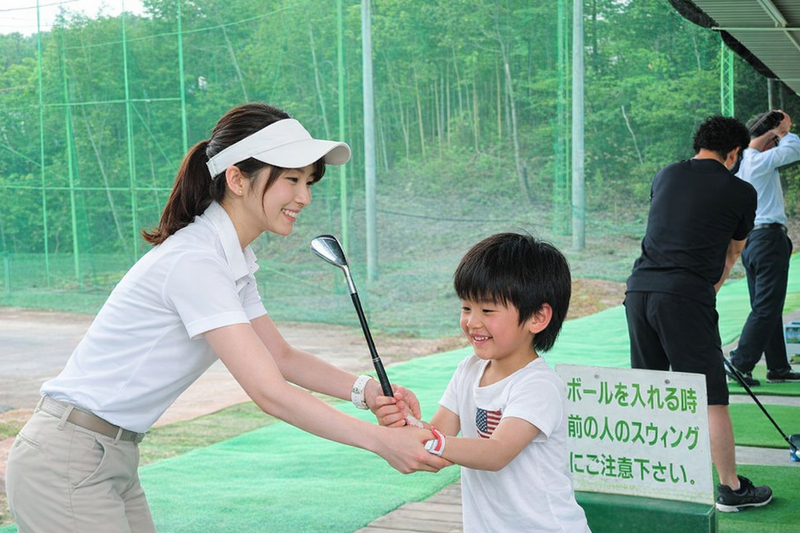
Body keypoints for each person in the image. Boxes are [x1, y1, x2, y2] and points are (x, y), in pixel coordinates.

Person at [5, 102, 448, 533]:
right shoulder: (195, 261)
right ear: (236, 178)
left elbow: (280, 357)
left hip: (108, 455)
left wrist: (366, 391)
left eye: (309, 181)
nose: (305, 197)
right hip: (68, 457)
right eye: (291, 180)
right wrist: (380, 441)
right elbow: (268, 391)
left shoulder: (231, 257)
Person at [377, 232, 591, 533]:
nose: (472, 322)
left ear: (538, 318)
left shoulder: (538, 385)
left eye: (487, 310)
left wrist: (432, 441)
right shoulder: (469, 369)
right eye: (466, 307)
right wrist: (405, 423)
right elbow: (437, 438)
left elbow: (496, 453)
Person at [624, 115, 772, 513]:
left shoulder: (666, 174)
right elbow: (733, 252)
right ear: (735, 153)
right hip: (684, 296)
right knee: (711, 398)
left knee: (650, 390)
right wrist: (707, 292)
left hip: (638, 290)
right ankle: (731, 488)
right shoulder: (740, 191)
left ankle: (648, 479)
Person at [728, 109, 800, 386]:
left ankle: (778, 367)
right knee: (767, 307)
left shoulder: (743, 161)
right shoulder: (758, 161)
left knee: (766, 306)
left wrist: (774, 132)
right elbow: (794, 148)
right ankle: (740, 362)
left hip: (752, 242)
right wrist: (782, 130)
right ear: (768, 140)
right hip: (768, 240)